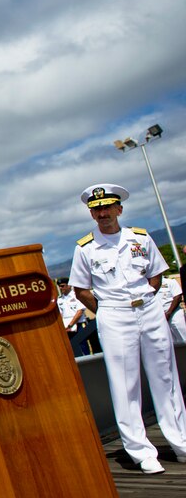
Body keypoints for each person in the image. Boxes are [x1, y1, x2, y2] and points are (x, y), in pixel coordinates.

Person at [69, 183, 186, 474]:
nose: (102, 213)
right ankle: (140, 451)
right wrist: (108, 309)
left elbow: (156, 275)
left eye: (107, 207)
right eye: (96, 210)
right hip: (114, 315)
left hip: (148, 309)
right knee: (125, 383)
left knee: (165, 376)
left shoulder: (140, 238)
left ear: (119, 209)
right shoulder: (85, 248)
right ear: (91, 214)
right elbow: (80, 289)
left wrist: (144, 298)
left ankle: (181, 440)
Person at [156, 274, 186, 345]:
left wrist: (169, 313)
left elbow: (177, 297)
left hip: (174, 314)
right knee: (170, 341)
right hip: (160, 316)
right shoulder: (149, 286)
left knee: (183, 336)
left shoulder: (169, 282)